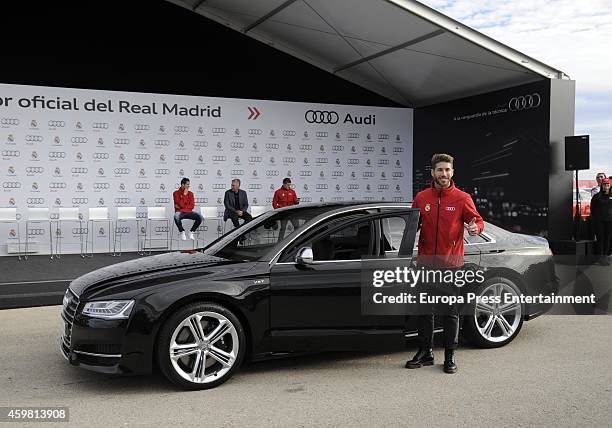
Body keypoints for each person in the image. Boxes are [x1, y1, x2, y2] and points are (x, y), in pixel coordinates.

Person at [405, 153, 484, 374]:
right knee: (424, 311)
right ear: (433, 172)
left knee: (449, 312)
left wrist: (476, 227)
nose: (444, 174)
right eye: (440, 170)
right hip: (425, 263)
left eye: (447, 170)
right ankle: (425, 353)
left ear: (452, 172)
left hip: (451, 265)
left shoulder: (462, 198)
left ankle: (449, 356)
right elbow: (413, 225)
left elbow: (476, 220)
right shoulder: (421, 197)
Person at [590, 178, 612, 265]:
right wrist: (595, 219)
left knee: (607, 240)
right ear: (601, 186)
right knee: (600, 239)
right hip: (599, 222)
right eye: (604, 185)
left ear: (610, 186)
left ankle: (605, 258)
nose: (606, 187)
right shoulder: (597, 197)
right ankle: (600, 258)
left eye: (607, 185)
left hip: (610, 221)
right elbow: (592, 209)